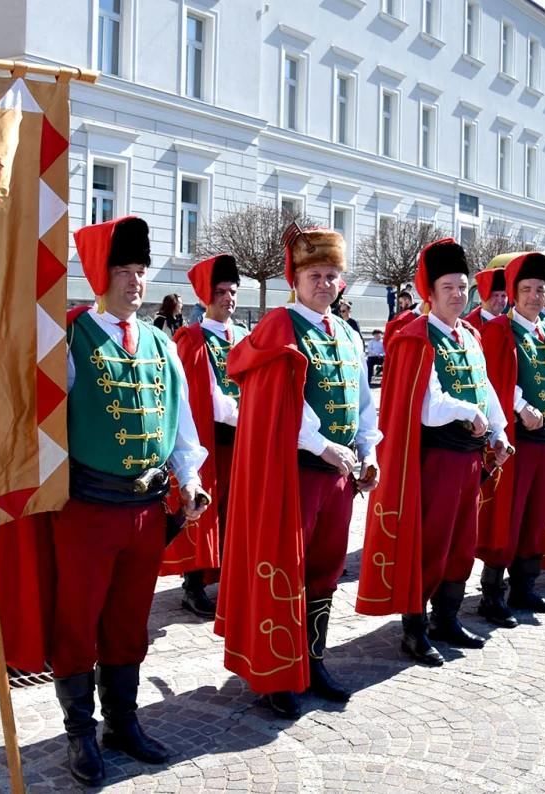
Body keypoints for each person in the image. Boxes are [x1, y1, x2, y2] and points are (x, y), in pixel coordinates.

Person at [14, 216, 209, 785]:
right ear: (102, 276)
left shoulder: (160, 343)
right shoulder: (71, 340)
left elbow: (181, 423)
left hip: (148, 511)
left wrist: (188, 478)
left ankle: (122, 722)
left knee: (129, 621)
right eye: (124, 270)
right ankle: (79, 734)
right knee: (78, 622)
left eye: (141, 271)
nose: (135, 281)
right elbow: (37, 417)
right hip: (88, 508)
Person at [216, 223, 381, 719]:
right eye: (315, 274)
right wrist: (324, 445)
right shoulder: (279, 327)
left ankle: (312, 660)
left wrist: (368, 451)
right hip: (290, 473)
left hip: (338, 476)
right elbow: (277, 405)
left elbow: (362, 401)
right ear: (296, 276)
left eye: (332, 274)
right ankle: (276, 674)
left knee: (324, 572)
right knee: (283, 571)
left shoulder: (349, 335)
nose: (324, 283)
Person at [357, 239, 511, 665]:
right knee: (432, 544)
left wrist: (497, 428)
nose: (459, 295)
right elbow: (427, 406)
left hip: (470, 458)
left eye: (463, 287)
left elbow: (486, 390)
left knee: (463, 542)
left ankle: (447, 617)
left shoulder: (471, 336)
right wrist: (469, 412)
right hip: (437, 460)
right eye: (449, 287)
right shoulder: (415, 338)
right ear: (430, 293)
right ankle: (414, 628)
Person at [476, 253, 545, 627]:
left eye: (540, 289)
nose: (534, 296)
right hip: (516, 440)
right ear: (514, 292)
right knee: (507, 516)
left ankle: (524, 586)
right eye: (526, 289)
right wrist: (520, 405)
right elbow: (491, 381)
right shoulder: (499, 331)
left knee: (537, 514)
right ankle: (492, 595)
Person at [162, 254, 246, 618]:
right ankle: (193, 585)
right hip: (210, 442)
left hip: (243, 443)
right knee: (203, 509)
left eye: (232, 291)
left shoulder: (245, 336)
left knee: (234, 514)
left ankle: (228, 577)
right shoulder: (192, 338)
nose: (228, 298)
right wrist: (247, 413)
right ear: (204, 298)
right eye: (221, 292)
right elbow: (207, 396)